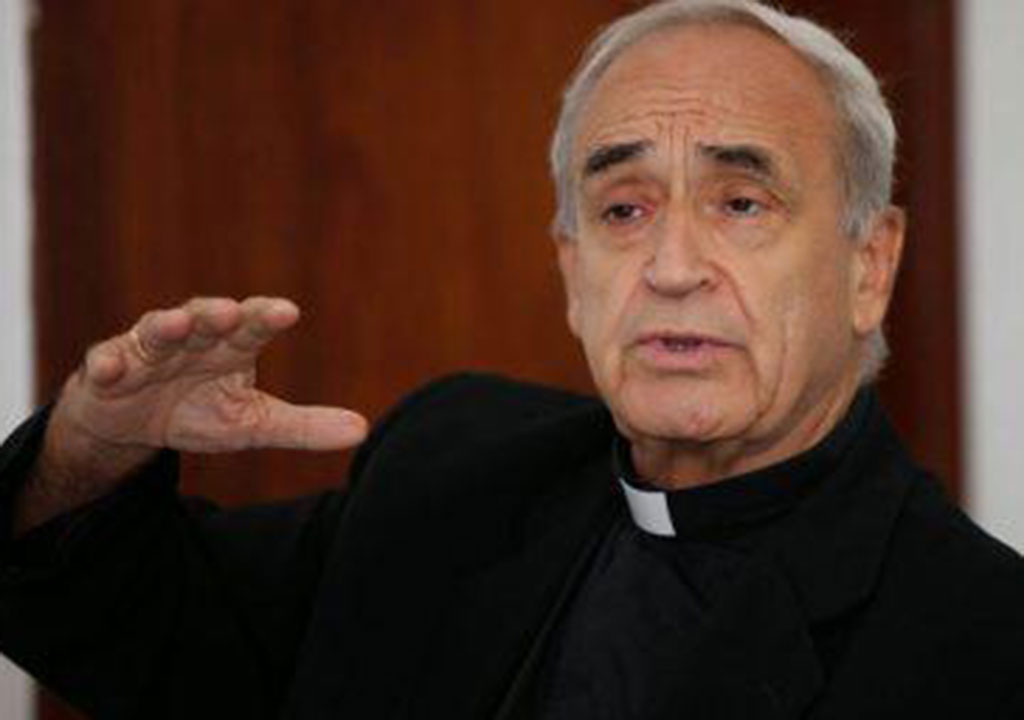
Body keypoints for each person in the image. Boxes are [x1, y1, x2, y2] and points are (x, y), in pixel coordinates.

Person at [2, 0, 1023, 717]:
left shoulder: (983, 645)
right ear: (572, 269)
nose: (672, 268)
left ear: (868, 266)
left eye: (741, 203)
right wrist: (92, 452)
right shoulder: (455, 473)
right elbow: (118, 626)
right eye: (622, 210)